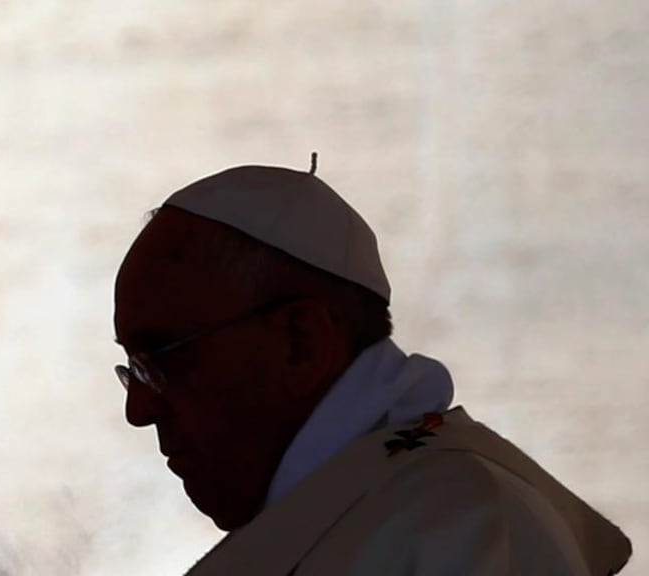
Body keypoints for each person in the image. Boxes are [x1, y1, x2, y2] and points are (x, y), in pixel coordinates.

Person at [112, 159, 632, 575]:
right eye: (132, 369)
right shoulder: (367, 512)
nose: (138, 410)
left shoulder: (463, 529)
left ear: (301, 343)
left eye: (160, 359)